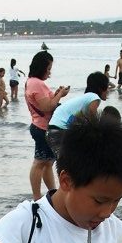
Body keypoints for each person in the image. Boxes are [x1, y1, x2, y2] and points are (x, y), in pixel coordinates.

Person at [24, 50, 70, 200]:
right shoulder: (37, 83)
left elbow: (46, 102)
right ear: (42, 67)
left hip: (40, 126)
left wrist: (57, 93)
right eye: (48, 69)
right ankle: (37, 197)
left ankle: (53, 192)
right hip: (42, 127)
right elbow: (47, 107)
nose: (50, 72)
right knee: (39, 162)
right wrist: (60, 95)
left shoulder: (32, 82)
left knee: (48, 163)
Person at [46, 71, 108, 155]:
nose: (108, 90)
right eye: (107, 87)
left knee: (66, 163)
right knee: (71, 163)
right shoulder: (94, 98)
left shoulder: (86, 97)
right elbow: (93, 122)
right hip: (60, 131)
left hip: (52, 130)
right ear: (101, 88)